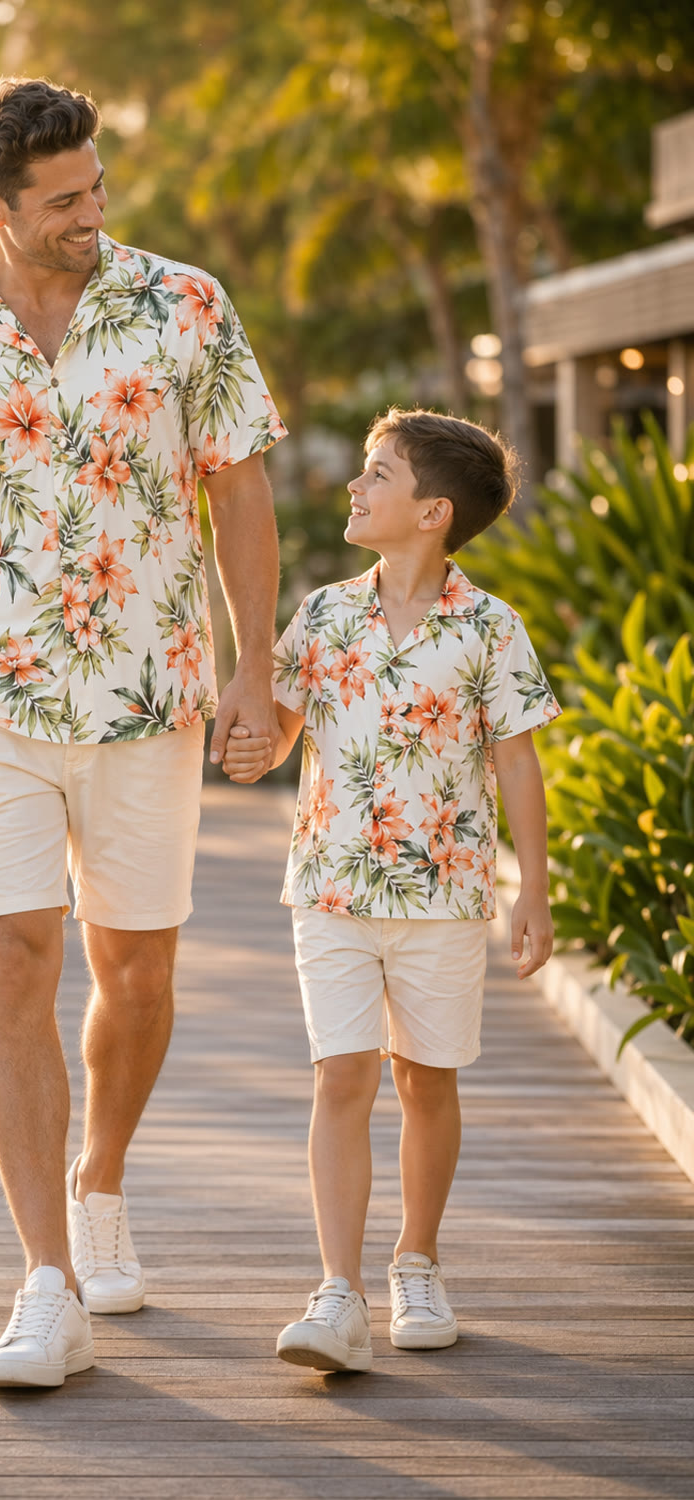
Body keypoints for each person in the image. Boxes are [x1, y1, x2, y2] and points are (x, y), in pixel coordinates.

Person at [0, 76, 286, 1388]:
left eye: (97, 186)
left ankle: (100, 1180)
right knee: (15, 963)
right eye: (64, 200)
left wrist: (256, 676)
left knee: (136, 974)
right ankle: (45, 1282)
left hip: (152, 693)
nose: (93, 212)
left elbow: (242, 491)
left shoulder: (184, 304)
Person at [224, 408, 560, 1373]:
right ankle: (338, 1292)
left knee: (427, 1081)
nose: (355, 488)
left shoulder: (492, 628)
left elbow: (518, 762)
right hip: (330, 889)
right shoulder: (324, 614)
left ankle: (418, 1261)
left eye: (377, 476)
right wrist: (253, 748)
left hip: (446, 897)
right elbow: (280, 730)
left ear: (432, 512)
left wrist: (531, 887)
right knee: (343, 1075)